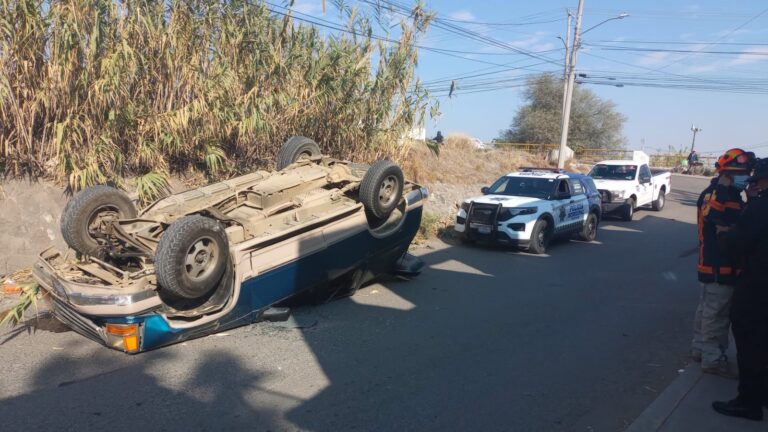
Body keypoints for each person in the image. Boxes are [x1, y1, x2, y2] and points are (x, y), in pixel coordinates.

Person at [712, 157, 768, 421]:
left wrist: (724, 236)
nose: (753, 181)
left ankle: (748, 402)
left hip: (758, 286)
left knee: (750, 342)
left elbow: (740, 241)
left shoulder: (761, 207)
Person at [691, 148, 754, 378]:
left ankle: (700, 351)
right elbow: (714, 218)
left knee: (706, 311)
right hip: (719, 266)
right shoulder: (718, 194)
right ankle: (712, 360)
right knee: (716, 316)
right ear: (726, 173)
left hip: (715, 265)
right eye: (741, 172)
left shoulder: (729, 194)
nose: (745, 176)